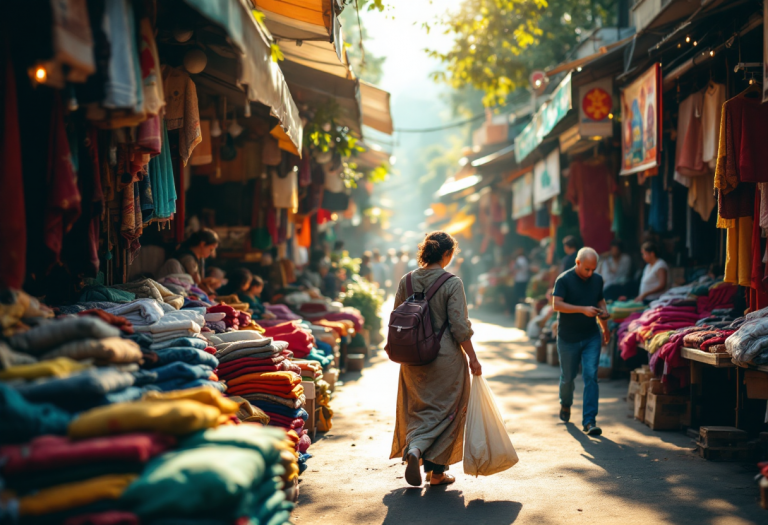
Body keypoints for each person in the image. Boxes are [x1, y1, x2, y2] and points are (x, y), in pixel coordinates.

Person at [391, 231, 482, 488]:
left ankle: (415, 449)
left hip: (412, 360)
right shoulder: (452, 283)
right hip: (445, 360)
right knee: (448, 412)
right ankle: (437, 473)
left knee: (419, 409)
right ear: (446, 254)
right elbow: (459, 327)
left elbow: (397, 318)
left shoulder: (405, 281)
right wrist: (473, 358)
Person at [552, 247, 611, 436]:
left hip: (590, 336)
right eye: (587, 269)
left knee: (591, 376)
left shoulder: (597, 280)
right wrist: (582, 309)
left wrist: (605, 323)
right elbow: (556, 304)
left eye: (593, 269)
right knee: (568, 377)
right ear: (577, 263)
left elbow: (600, 301)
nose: (590, 273)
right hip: (567, 338)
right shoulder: (563, 280)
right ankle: (565, 403)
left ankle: (589, 421)